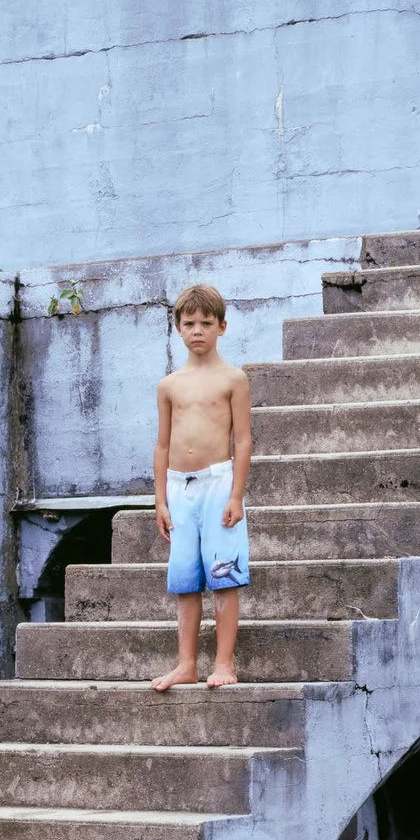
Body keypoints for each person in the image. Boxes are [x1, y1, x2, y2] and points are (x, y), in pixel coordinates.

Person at [151, 281, 255, 691]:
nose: (198, 331)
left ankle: (224, 663)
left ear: (222, 327)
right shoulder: (169, 385)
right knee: (184, 578)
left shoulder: (234, 379)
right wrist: (160, 500)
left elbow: (242, 440)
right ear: (178, 328)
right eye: (190, 323)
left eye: (206, 323)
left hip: (218, 484)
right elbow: (162, 445)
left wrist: (236, 495)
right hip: (179, 489)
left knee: (223, 573)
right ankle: (186, 664)